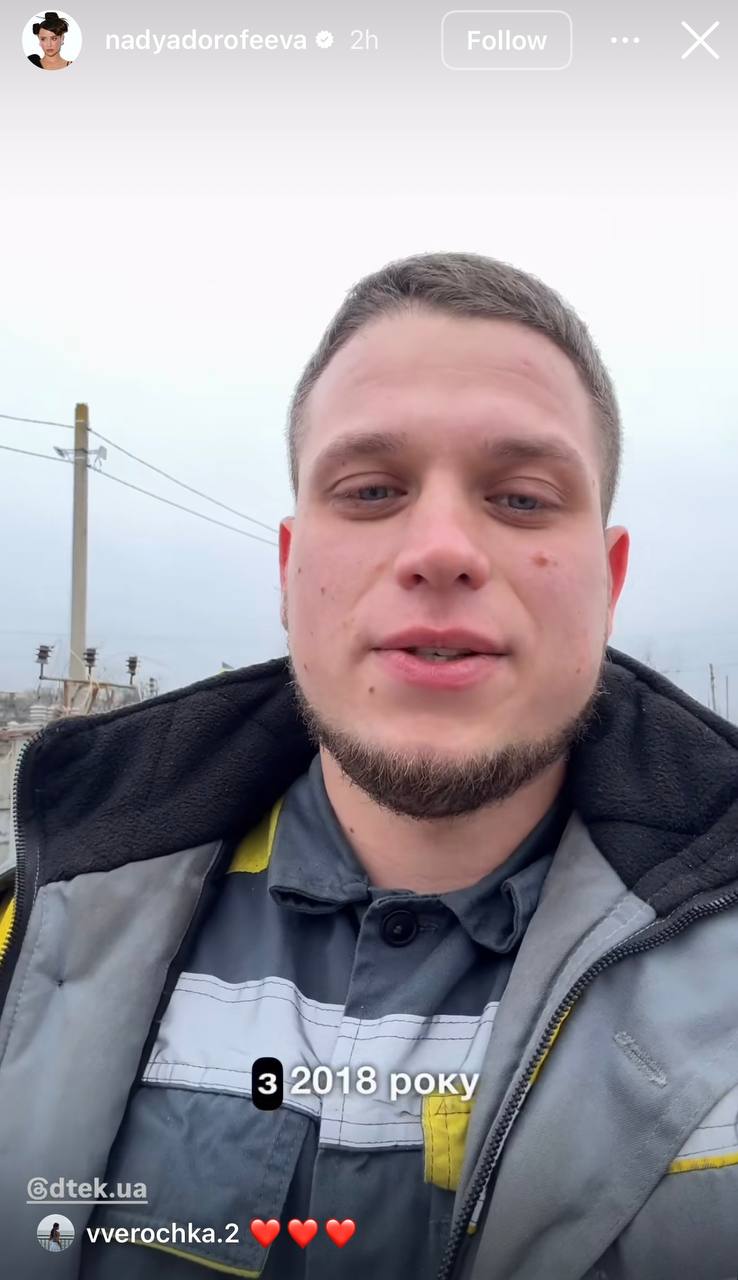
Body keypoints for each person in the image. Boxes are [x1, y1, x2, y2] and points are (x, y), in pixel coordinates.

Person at [1, 251, 738, 1280]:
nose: (440, 547)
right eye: (373, 489)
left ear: (609, 582)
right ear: (288, 568)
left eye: (523, 498)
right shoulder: (38, 928)